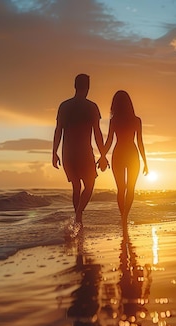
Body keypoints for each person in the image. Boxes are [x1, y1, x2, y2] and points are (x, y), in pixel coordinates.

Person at [52, 74, 106, 225]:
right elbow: (97, 133)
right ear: (88, 87)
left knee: (76, 186)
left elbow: (58, 130)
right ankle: (79, 214)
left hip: (67, 152)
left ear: (75, 86)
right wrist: (102, 154)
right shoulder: (92, 107)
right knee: (89, 185)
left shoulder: (64, 106)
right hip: (84, 152)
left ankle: (78, 220)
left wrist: (54, 152)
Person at [99, 90, 148, 227]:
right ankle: (125, 216)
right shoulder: (136, 120)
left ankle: (123, 217)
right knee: (130, 188)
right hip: (132, 154)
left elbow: (109, 141)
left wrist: (103, 156)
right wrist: (145, 162)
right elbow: (140, 142)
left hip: (119, 153)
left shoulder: (115, 121)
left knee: (121, 188)